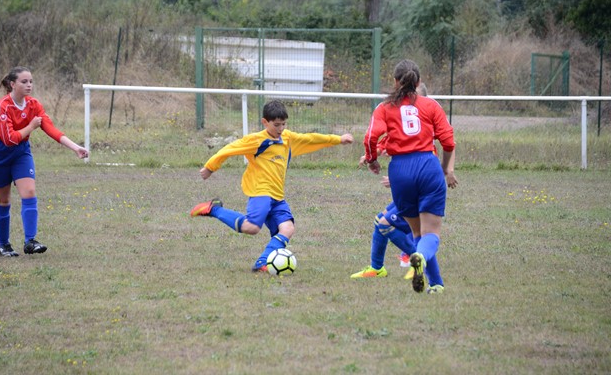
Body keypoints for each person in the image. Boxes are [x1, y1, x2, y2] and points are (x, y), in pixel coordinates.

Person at [190, 99, 354, 272]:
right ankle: (214, 209)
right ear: (265, 122)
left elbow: (311, 139)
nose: (281, 128)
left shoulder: (287, 139)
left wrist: (338, 139)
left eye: (283, 124)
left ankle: (262, 262)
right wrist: (210, 167)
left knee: (287, 228)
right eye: (276, 125)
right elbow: (230, 149)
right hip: (260, 191)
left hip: (277, 195)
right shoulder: (257, 140)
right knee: (252, 227)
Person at [363, 61, 458, 293]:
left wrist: (372, 159)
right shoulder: (431, 104)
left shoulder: (384, 107)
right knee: (430, 233)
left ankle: (436, 284)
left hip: (400, 171)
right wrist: (445, 168)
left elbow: (371, 136)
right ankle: (421, 258)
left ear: (395, 81)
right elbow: (448, 141)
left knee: (417, 233)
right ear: (418, 82)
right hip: (428, 165)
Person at [0, 66, 89, 257]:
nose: (29, 85)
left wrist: (75, 147)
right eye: (24, 81)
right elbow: (9, 139)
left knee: (29, 192)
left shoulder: (33, 105)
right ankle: (4, 245)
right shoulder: (3, 106)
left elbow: (51, 129)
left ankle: (30, 241)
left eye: (31, 81)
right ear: (12, 84)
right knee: (3, 201)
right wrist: (31, 127)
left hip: (21, 152)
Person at [350, 83, 430, 281]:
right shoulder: (404, 126)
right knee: (380, 220)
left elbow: (423, 167)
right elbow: (387, 141)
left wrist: (395, 181)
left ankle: (419, 259)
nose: (406, 103)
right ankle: (377, 268)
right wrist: (371, 155)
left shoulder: (423, 130)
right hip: (408, 190)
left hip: (419, 193)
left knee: (385, 224)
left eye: (412, 98)